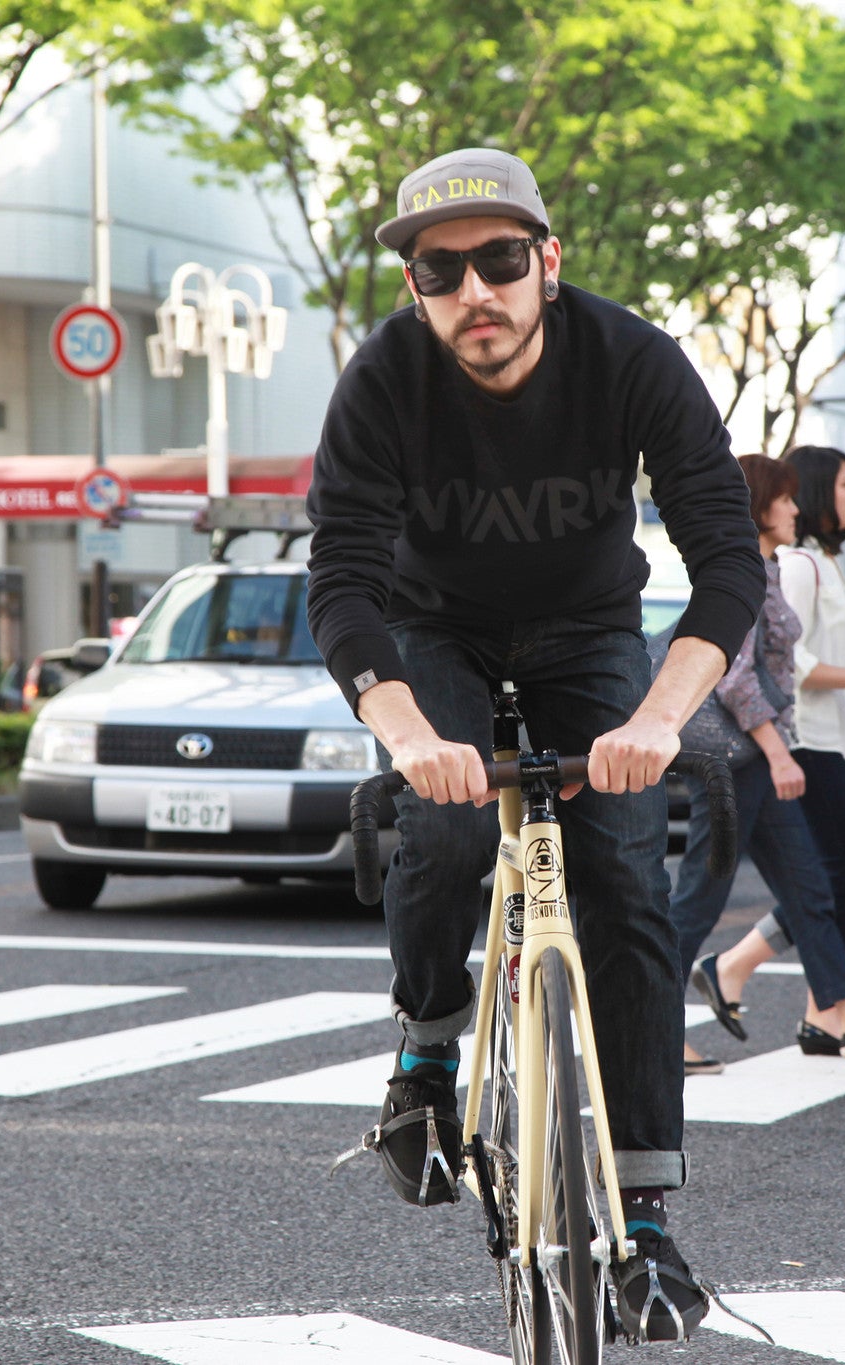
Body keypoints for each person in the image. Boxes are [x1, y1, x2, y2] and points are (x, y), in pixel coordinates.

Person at [304, 148, 765, 1342]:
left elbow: (724, 560)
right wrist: (404, 734)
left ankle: (649, 1224)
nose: (474, 293)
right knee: (447, 833)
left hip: (589, 633)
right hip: (435, 628)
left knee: (619, 877)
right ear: (414, 288)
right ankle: (423, 1054)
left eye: (499, 261)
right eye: (438, 271)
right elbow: (343, 583)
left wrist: (662, 717)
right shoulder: (382, 381)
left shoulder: (630, 359)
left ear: (546, 263)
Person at [670, 454, 845, 1076]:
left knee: (814, 890)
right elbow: (734, 678)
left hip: (759, 761)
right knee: (701, 899)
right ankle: (649, 1025)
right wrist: (780, 752)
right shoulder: (738, 575)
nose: (794, 509)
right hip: (738, 764)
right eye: (783, 499)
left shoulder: (762, 568)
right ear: (759, 506)